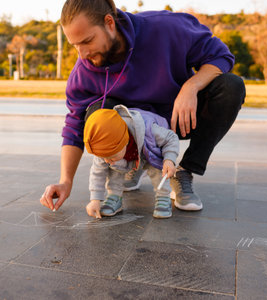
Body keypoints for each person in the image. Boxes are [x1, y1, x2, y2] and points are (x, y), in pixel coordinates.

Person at [40, 0, 246, 212]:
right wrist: (66, 181)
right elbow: (75, 126)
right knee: (96, 114)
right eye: (75, 46)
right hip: (133, 129)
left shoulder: (164, 28)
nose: (82, 54)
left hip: (178, 119)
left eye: (88, 41)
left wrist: (191, 87)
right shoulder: (84, 71)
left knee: (231, 87)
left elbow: (221, 56)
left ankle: (183, 171)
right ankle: (129, 162)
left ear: (109, 23)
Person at [83, 104, 179, 219]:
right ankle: (114, 196)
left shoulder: (150, 130)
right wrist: (95, 199)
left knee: (157, 167)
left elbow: (171, 138)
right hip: (131, 155)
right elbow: (97, 172)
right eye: (103, 157)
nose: (107, 160)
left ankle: (163, 197)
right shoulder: (104, 146)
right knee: (114, 167)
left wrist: (169, 159)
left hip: (149, 150)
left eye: (110, 156)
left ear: (123, 141)